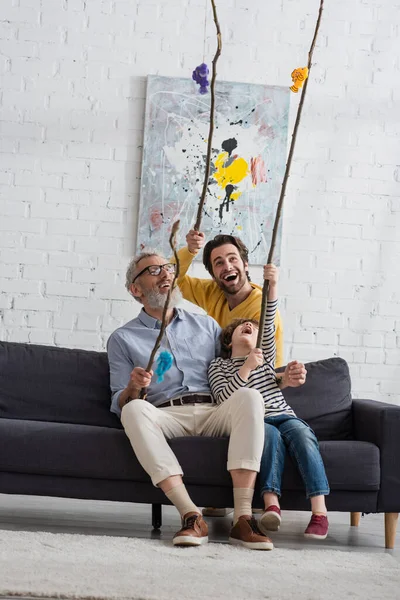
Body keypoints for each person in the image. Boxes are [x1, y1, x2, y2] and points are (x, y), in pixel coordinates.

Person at [107, 250, 274, 550]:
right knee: (132, 411)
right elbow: (118, 401)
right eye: (154, 270)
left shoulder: (207, 325)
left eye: (168, 268)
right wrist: (133, 388)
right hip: (166, 415)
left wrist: (282, 377)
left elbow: (233, 369)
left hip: (214, 409)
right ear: (136, 289)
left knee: (249, 397)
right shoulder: (123, 338)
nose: (166, 274)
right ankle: (191, 515)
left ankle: (244, 519)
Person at [208, 263, 330, 544]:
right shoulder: (219, 366)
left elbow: (269, 313)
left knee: (302, 435)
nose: (248, 327)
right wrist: (246, 368)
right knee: (270, 439)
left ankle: (320, 512)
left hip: (283, 414)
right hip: (257, 423)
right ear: (229, 341)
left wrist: (272, 286)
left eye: (252, 327)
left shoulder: (264, 359)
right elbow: (224, 398)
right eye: (242, 328)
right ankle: (271, 503)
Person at [174, 230, 284, 368]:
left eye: (232, 258)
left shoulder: (260, 309)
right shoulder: (213, 292)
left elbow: (258, 366)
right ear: (213, 275)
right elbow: (173, 280)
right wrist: (190, 250)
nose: (227, 266)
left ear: (245, 265)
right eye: (219, 263)